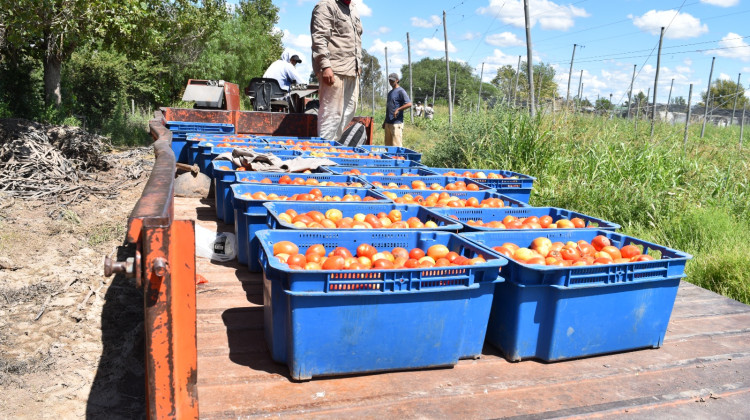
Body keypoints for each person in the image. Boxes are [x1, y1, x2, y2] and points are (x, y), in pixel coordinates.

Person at [311, 0, 363, 141]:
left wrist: (359, 65)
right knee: (331, 115)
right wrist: (325, 66)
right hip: (334, 70)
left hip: (352, 70)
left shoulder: (353, 9)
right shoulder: (326, 6)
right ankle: (323, 152)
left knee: (349, 111)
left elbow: (356, 39)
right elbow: (319, 38)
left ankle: (332, 147)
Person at [383, 73, 412, 147]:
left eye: (392, 81)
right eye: (389, 80)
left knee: (396, 146)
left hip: (396, 123)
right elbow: (388, 108)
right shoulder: (390, 93)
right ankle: (389, 158)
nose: (391, 82)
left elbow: (409, 104)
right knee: (388, 147)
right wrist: (385, 121)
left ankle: (398, 158)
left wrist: (398, 109)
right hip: (388, 123)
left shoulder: (401, 91)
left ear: (397, 80)